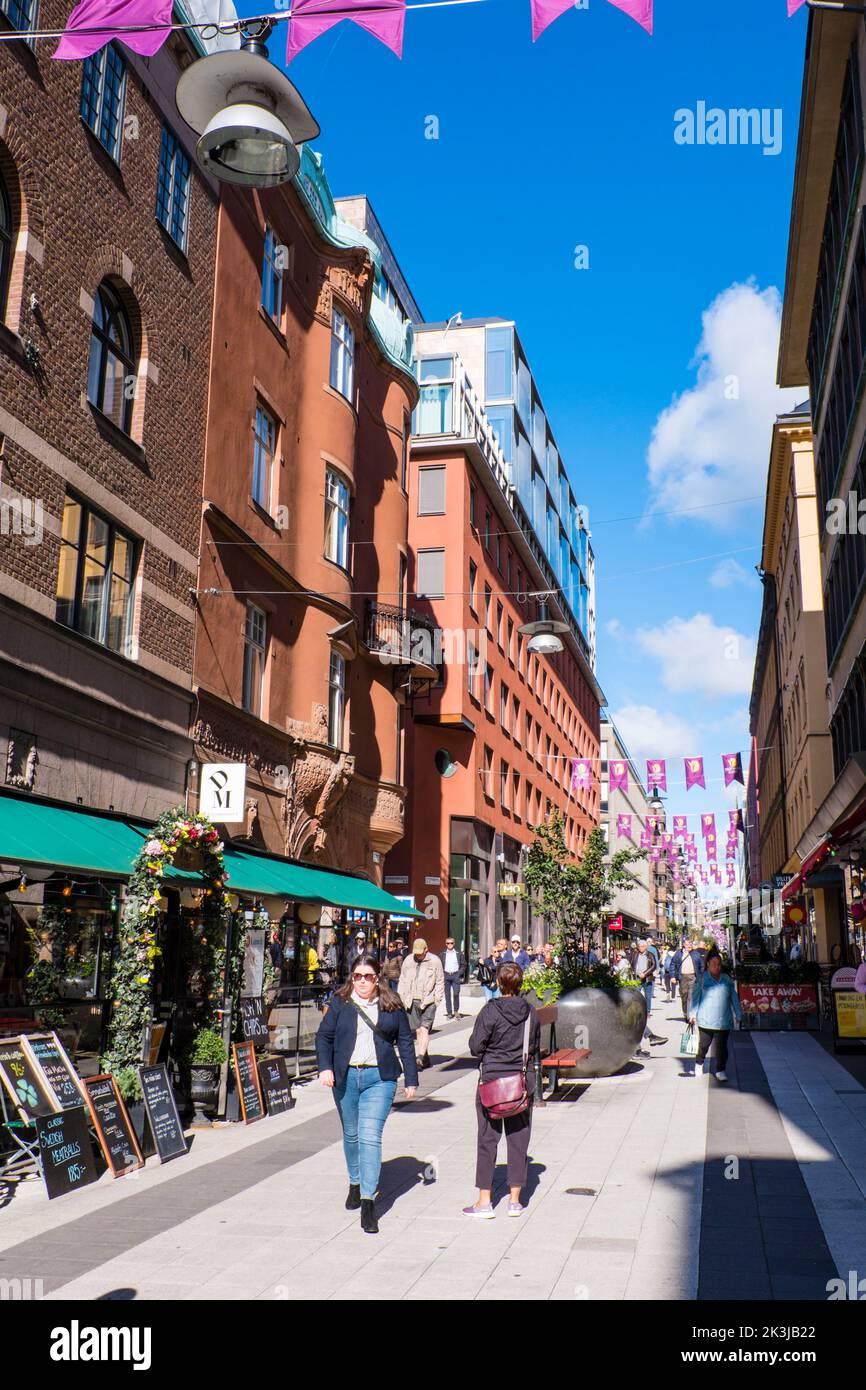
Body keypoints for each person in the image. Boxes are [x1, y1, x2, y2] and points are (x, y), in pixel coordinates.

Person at [315, 954, 418, 1232]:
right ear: (352, 977)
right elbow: (324, 1037)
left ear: (377, 978)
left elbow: (405, 1040)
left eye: (368, 976)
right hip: (345, 1077)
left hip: (379, 1078)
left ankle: (368, 1202)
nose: (362, 981)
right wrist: (325, 1068)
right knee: (352, 1134)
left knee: (370, 1136)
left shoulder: (391, 1004)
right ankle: (355, 1180)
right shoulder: (340, 1002)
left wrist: (411, 1077)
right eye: (357, 976)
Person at [464, 962, 540, 1218]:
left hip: (492, 1082)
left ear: (498, 983)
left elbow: (476, 1046)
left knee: (487, 1139)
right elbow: (535, 1046)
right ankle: (515, 1201)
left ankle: (484, 1201)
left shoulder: (490, 1011)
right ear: (520, 984)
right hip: (519, 1083)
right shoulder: (530, 1012)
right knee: (518, 1139)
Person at [688, 951, 741, 1082]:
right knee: (704, 1045)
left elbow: (733, 997)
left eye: (719, 964)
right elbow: (695, 999)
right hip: (706, 1020)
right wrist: (692, 1014)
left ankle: (720, 1070)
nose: (717, 967)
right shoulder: (702, 979)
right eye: (714, 964)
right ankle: (699, 1063)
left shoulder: (726, 979)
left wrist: (738, 1013)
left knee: (722, 1048)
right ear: (708, 964)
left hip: (724, 1019)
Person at [398, 937, 444, 1069]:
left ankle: (420, 1058)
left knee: (424, 1029)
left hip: (428, 1001)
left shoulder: (435, 961)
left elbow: (440, 981)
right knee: (418, 1031)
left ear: (426, 949)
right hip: (411, 1001)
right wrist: (401, 996)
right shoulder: (408, 960)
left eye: (420, 953)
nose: (418, 955)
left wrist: (437, 1000)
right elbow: (402, 978)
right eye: (416, 953)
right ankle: (425, 1057)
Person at [632, 938, 665, 1054]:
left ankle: (647, 1010)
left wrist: (645, 973)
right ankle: (650, 1037)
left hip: (647, 978)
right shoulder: (635, 954)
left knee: (648, 995)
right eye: (639, 946)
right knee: (635, 994)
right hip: (636, 978)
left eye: (641, 946)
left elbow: (654, 965)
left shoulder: (650, 954)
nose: (639, 948)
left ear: (645, 947)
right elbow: (632, 964)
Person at [673, 937, 705, 1022]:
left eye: (690, 944)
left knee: (691, 996)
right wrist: (673, 976)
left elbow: (701, 966)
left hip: (693, 977)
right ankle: (685, 1014)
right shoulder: (678, 954)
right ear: (683, 945)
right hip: (682, 977)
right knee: (684, 997)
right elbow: (673, 964)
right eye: (687, 944)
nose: (689, 946)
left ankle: (691, 1016)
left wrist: (701, 976)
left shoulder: (696, 954)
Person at [439, 936, 466, 1018]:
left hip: (455, 975)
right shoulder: (442, 954)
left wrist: (459, 973)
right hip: (446, 975)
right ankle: (449, 1012)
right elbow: (439, 965)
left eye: (451, 943)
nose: (449, 945)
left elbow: (464, 964)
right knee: (447, 995)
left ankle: (456, 1011)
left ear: (454, 943)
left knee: (456, 993)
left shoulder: (459, 953)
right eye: (448, 943)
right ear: (445, 944)